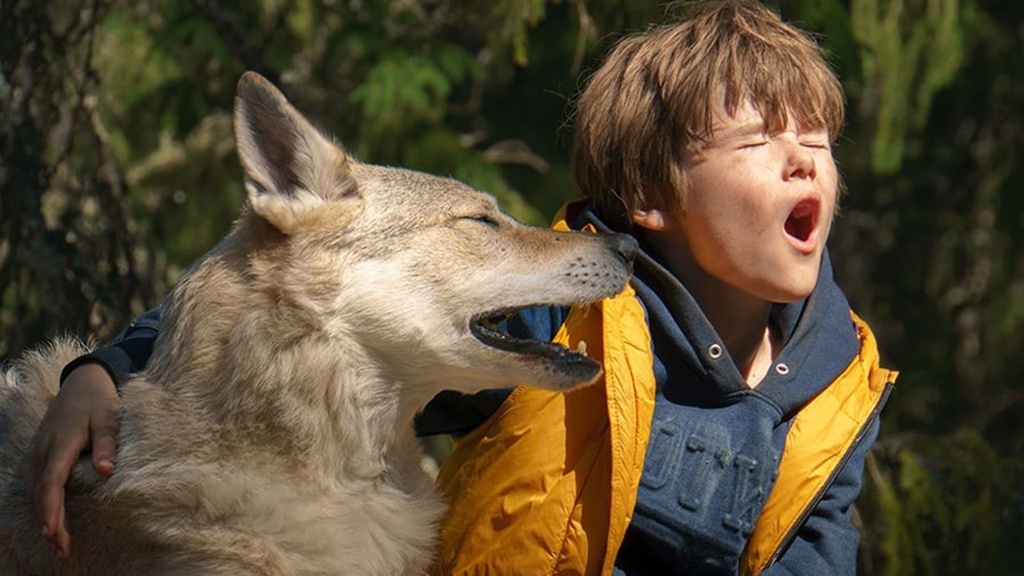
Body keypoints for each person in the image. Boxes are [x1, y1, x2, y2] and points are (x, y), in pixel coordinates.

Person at [30, 1, 896, 574]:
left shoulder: (841, 384)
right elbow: (266, 307)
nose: (803, 160)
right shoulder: (560, 322)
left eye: (819, 142)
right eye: (758, 143)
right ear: (649, 197)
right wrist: (101, 373)